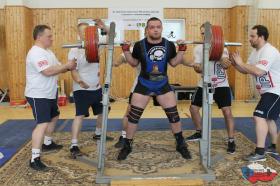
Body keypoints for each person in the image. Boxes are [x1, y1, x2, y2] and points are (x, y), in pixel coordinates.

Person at [117, 17, 191, 160]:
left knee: (174, 116)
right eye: (152, 27)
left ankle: (180, 144)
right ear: (147, 30)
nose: (155, 29)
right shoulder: (139, 45)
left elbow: (174, 63)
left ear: (161, 29)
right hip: (144, 84)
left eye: (158, 27)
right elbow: (133, 63)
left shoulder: (169, 45)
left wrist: (182, 50)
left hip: (162, 84)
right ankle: (127, 145)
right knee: (133, 117)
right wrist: (125, 50)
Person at [25, 25, 77, 171]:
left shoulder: (47, 51)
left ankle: (47, 143)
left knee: (54, 116)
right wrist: (67, 65)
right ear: (39, 37)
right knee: (42, 123)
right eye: (49, 36)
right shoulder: (35, 53)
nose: (52, 39)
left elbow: (58, 66)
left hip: (49, 92)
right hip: (38, 94)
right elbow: (48, 71)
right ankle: (34, 158)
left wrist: (69, 66)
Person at [183, 24, 236, 154]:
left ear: (214, 34)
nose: (204, 36)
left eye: (207, 33)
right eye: (202, 34)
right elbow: (199, 69)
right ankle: (199, 132)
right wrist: (196, 67)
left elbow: (225, 64)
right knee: (193, 108)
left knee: (227, 111)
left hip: (221, 84)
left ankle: (231, 140)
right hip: (204, 83)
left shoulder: (222, 46)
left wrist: (221, 56)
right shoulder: (197, 49)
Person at [230, 25, 280, 161]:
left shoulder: (269, 51)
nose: (249, 39)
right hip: (267, 91)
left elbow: (259, 71)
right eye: (249, 36)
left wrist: (241, 62)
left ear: (261, 37)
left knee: (258, 116)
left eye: (252, 36)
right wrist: (235, 64)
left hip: (275, 90)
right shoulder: (256, 52)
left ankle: (260, 152)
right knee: (268, 118)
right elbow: (247, 70)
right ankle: (274, 147)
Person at [68, 20, 114, 158]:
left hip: (96, 87)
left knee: (104, 110)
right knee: (80, 115)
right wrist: (80, 81)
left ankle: (98, 134)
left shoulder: (97, 45)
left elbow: (112, 35)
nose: (85, 34)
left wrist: (103, 27)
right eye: (82, 32)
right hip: (81, 89)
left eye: (87, 32)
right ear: (78, 34)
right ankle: (74, 145)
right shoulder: (73, 50)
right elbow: (73, 70)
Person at [113, 28, 159, 148]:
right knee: (130, 113)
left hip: (160, 85)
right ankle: (123, 137)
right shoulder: (137, 49)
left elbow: (175, 59)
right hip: (140, 87)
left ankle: (180, 138)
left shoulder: (162, 47)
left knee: (171, 112)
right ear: (144, 34)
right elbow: (122, 57)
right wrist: (116, 62)